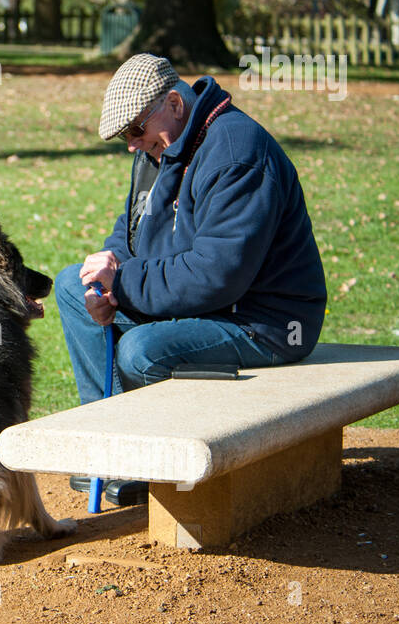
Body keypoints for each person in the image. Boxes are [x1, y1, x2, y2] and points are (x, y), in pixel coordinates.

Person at [55, 54, 327, 503]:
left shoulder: (237, 153)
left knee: (141, 351)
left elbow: (217, 276)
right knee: (72, 284)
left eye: (135, 130)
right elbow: (132, 234)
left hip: (264, 322)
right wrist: (105, 278)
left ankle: (161, 461)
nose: (131, 144)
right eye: (125, 135)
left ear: (176, 104)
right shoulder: (161, 144)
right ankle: (113, 444)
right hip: (210, 306)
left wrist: (123, 286)